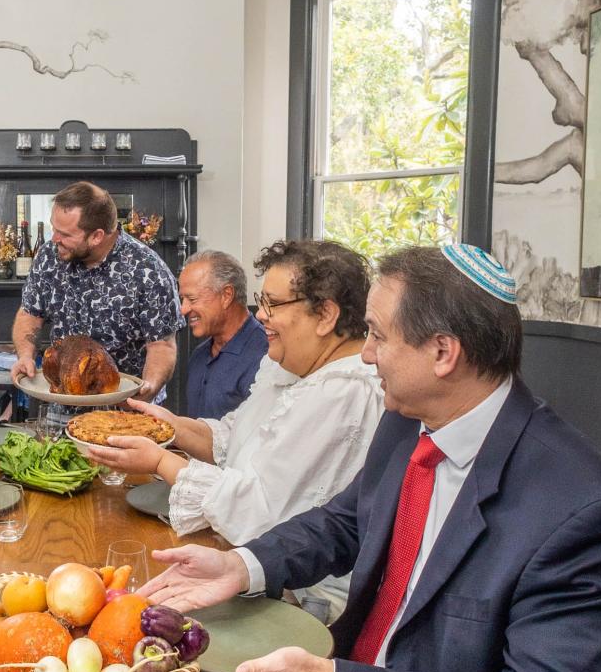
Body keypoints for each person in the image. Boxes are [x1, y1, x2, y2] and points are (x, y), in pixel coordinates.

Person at [138, 244, 601, 672]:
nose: (364, 356)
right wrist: (241, 565)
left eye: (379, 336)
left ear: (442, 353)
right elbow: (345, 523)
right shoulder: (411, 421)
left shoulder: (587, 513)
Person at [84, 239, 383, 623]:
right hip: (240, 563)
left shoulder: (344, 392)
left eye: (273, 304)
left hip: (298, 601)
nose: (261, 315)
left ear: (325, 315)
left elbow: (261, 516)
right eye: (262, 301)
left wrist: (160, 461)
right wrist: (166, 427)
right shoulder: (294, 368)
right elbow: (234, 438)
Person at [10, 182, 184, 406]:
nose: (54, 239)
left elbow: (162, 345)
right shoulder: (48, 256)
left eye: (64, 234)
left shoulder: (149, 271)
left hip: (125, 409)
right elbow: (30, 313)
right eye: (54, 228)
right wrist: (25, 355)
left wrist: (149, 388)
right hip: (62, 403)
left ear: (97, 236)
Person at [179, 250, 267, 419]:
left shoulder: (266, 358)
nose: (183, 309)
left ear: (226, 295)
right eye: (182, 299)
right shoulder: (199, 354)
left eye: (192, 299)